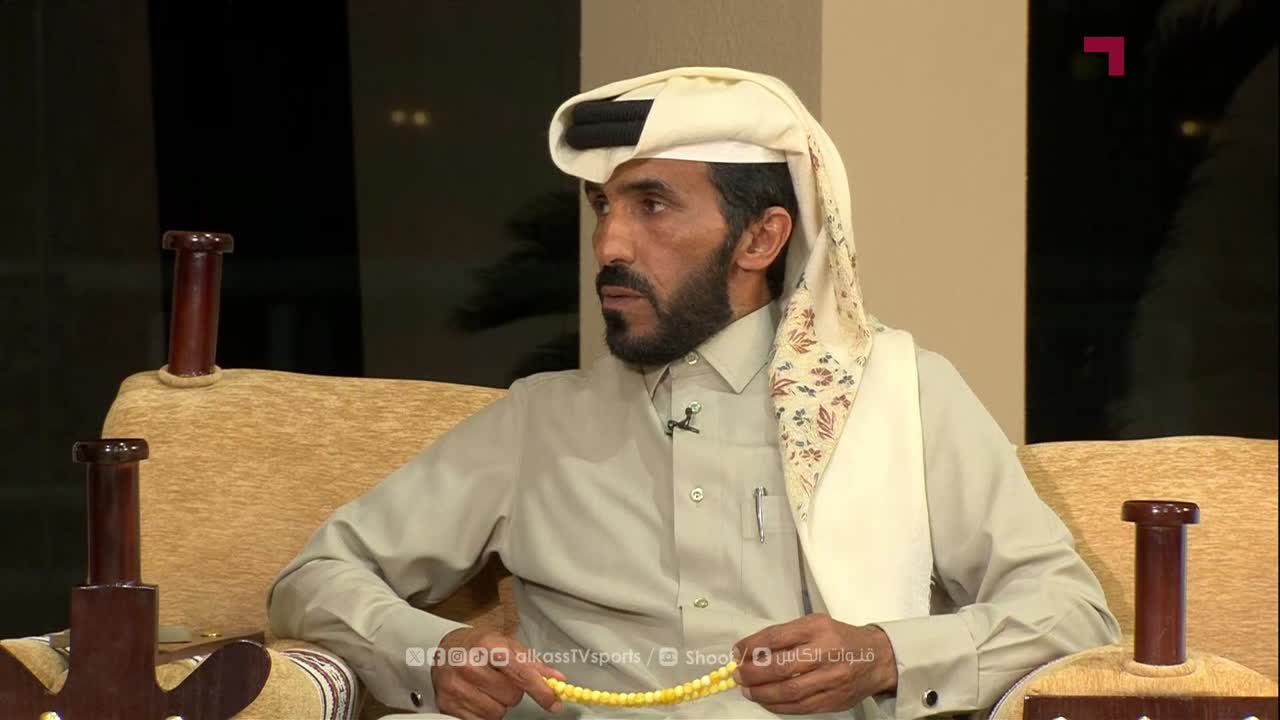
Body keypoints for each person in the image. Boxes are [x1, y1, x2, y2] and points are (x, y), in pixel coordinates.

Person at [269, 67, 1120, 720]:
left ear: (761, 238)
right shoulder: (540, 420)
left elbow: (1071, 614)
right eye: (602, 206)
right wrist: (431, 652)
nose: (609, 243)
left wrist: (884, 656)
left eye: (652, 206)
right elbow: (316, 577)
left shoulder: (902, 397)